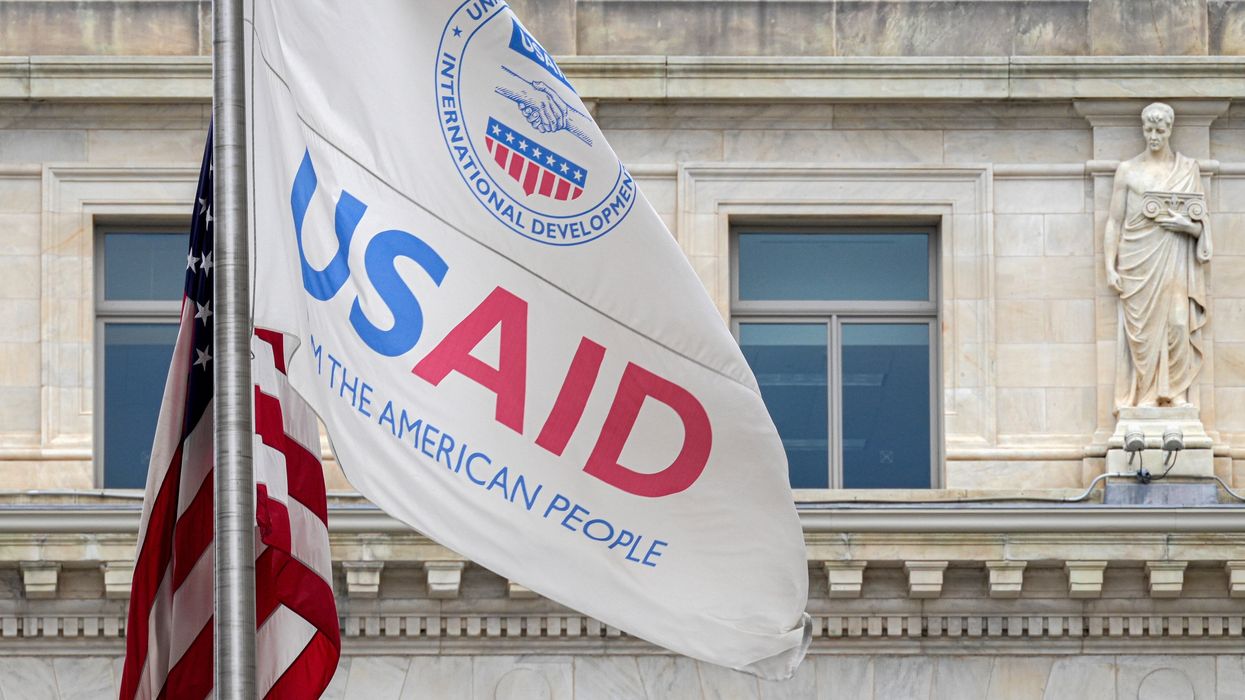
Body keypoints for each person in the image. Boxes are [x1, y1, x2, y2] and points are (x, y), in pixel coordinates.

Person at [1105, 102, 1213, 410]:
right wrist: (1109, 266)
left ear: (1169, 131)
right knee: (1143, 332)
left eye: (1160, 130)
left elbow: (1201, 221)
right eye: (1149, 130)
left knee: (1178, 323)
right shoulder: (1128, 170)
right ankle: (1148, 394)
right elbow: (1114, 221)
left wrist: (1186, 226)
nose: (1153, 136)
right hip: (1136, 260)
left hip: (1175, 255)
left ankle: (1175, 391)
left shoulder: (1187, 169)